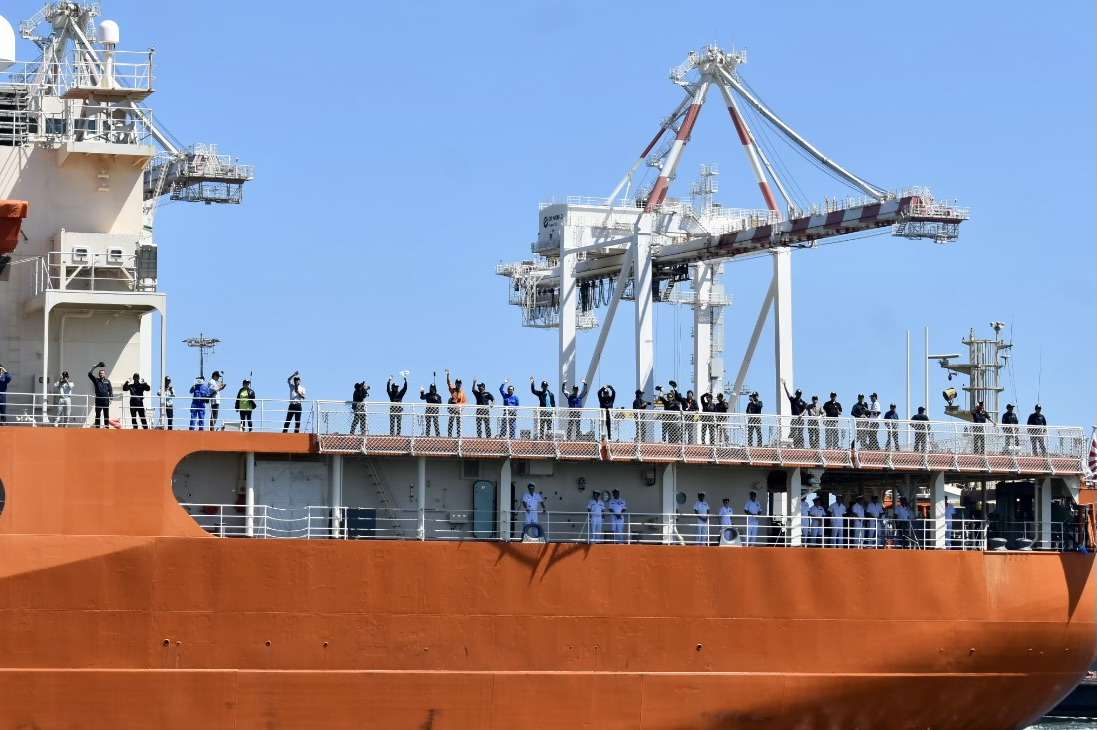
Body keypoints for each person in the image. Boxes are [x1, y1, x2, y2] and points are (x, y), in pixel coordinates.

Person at [88, 362, 113, 428]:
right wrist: (94, 367)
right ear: (99, 374)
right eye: (100, 373)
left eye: (102, 373)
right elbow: (89, 374)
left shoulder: (107, 381)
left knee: (106, 415)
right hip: (98, 400)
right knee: (98, 415)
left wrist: (111, 398)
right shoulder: (96, 380)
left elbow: (110, 390)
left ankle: (106, 428)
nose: (101, 374)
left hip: (106, 401)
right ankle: (97, 429)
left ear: (105, 374)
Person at [782, 381, 806, 447]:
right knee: (793, 432)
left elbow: (805, 409)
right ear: (796, 394)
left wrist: (801, 414)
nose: (798, 395)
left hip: (800, 420)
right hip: (794, 419)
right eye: (797, 393)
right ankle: (789, 445)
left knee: (800, 433)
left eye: (799, 394)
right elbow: (788, 394)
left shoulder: (803, 402)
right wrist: (785, 386)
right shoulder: (793, 400)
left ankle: (801, 446)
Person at [446, 371, 467, 437]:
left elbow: (464, 402)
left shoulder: (462, 393)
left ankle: (458, 435)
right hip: (452, 409)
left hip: (458, 410)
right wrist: (448, 375)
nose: (458, 384)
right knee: (451, 422)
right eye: (457, 383)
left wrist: (461, 408)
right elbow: (449, 383)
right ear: (455, 383)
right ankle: (449, 435)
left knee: (459, 423)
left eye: (459, 383)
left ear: (461, 384)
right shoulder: (453, 390)